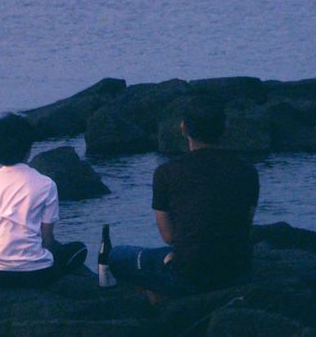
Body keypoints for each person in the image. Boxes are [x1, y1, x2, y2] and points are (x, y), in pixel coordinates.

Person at [109, 97, 260, 299]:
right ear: (225, 128)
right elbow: (245, 225)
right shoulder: (247, 170)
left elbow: (169, 236)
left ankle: (158, 303)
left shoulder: (166, 172)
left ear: (183, 128)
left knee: (116, 255)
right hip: (238, 271)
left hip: (188, 275)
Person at [0, 113, 86, 287]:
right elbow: (47, 238)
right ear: (28, 148)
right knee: (78, 249)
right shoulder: (46, 184)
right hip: (37, 274)